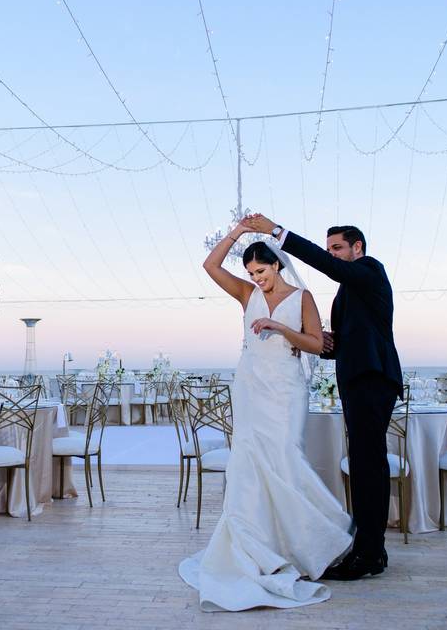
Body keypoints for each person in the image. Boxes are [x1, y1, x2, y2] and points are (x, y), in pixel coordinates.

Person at [178, 221, 352, 612]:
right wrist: (237, 233)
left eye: (263, 271)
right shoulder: (246, 294)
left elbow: (312, 343)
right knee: (250, 463)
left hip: (287, 389)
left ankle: (309, 543)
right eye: (252, 274)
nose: (258, 279)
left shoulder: (302, 297)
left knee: (287, 457)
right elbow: (210, 266)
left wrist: (277, 326)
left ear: (277, 265)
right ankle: (257, 545)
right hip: (251, 386)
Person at [242, 214, 403, 581]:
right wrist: (328, 345)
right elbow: (356, 337)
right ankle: (370, 549)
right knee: (365, 464)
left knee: (368, 465)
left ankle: (368, 554)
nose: (332, 254)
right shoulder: (352, 291)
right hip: (360, 378)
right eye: (329, 247)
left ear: (357, 248)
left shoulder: (369, 270)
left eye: (337, 248)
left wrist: (276, 232)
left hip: (372, 379)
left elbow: (329, 268)